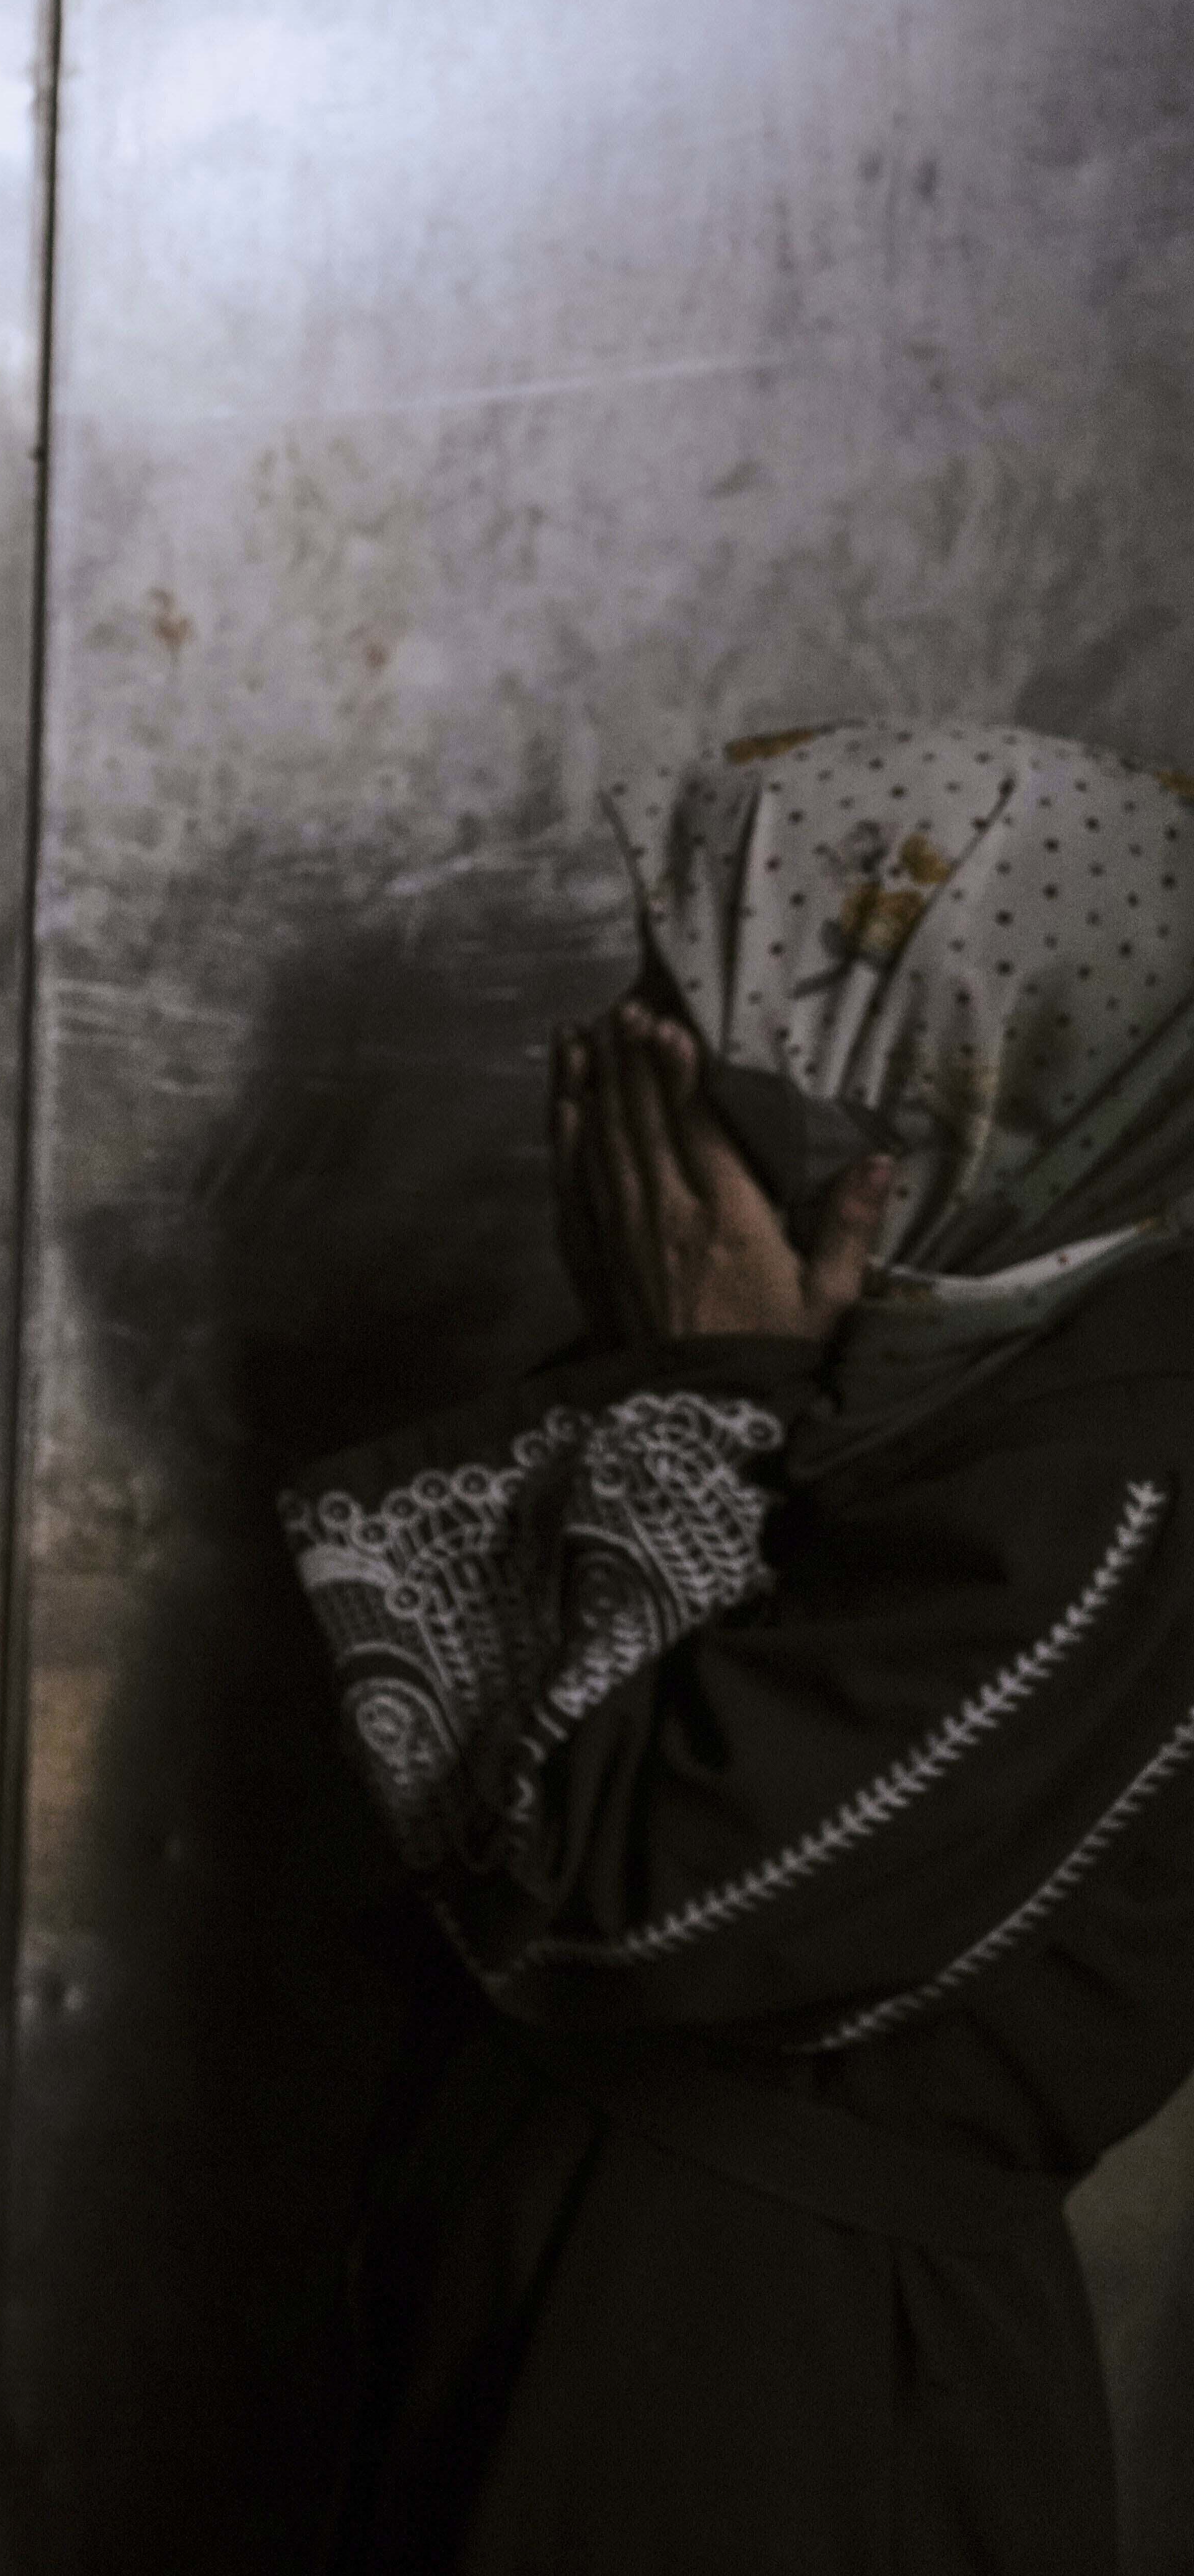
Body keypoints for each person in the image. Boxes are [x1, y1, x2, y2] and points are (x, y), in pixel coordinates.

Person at [282, 722, 1194, 2573]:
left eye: (697, 1019)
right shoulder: (942, 1356)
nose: (629, 1079)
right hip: (605, 2307)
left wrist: (703, 1372)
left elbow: (636, 1885)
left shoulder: (1124, 1457)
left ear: (936, 1090)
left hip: (775, 2387)